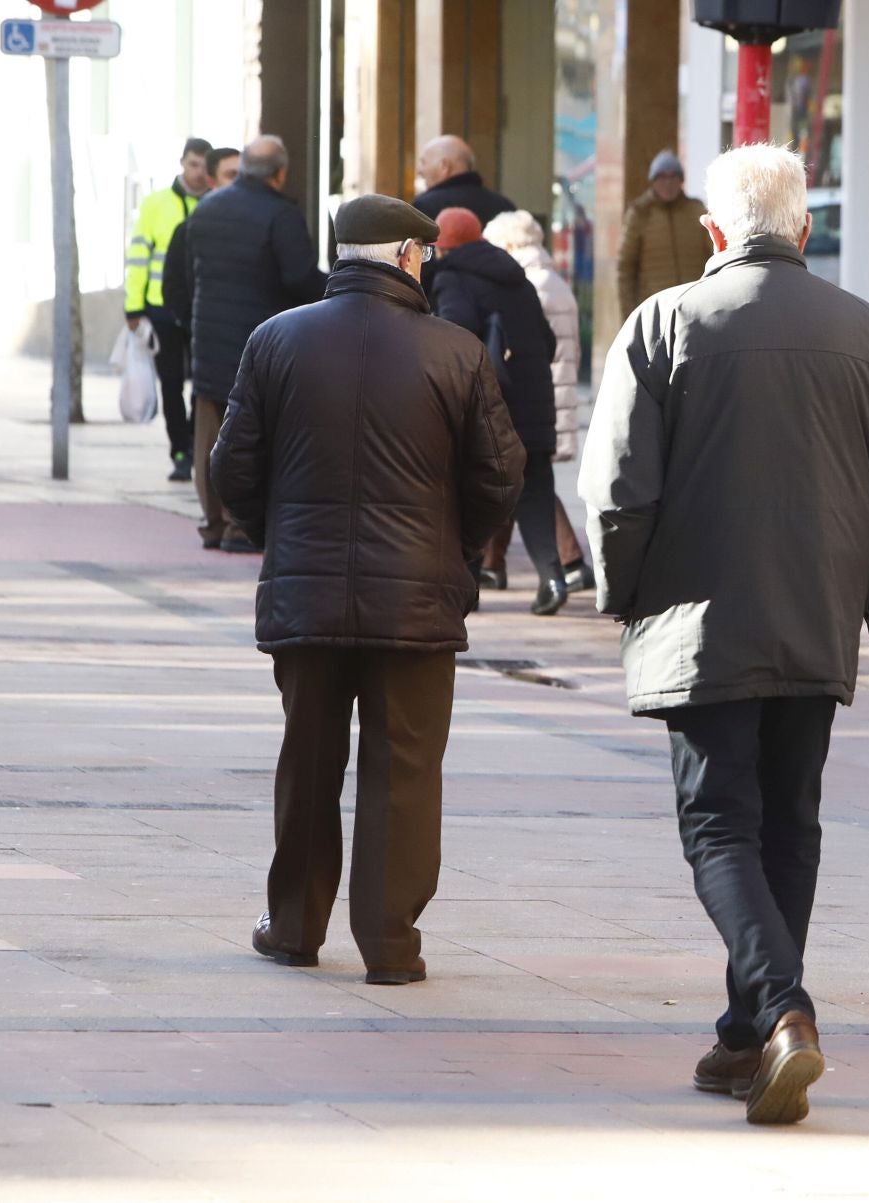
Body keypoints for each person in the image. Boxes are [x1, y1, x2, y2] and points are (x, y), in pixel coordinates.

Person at [578, 144, 869, 1125]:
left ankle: (781, 1011)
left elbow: (614, 492)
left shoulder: (664, 323)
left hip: (702, 621)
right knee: (791, 822)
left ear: (712, 230)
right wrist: (858, 594)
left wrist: (628, 596)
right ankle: (747, 1036)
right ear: (806, 227)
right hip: (813, 620)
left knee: (719, 827)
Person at [209, 194, 524, 986]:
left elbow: (231, 469)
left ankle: (293, 926)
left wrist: (279, 532)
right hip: (416, 596)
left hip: (305, 594)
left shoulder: (274, 339)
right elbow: (499, 475)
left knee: (307, 758)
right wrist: (455, 551)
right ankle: (389, 942)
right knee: (406, 766)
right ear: (412, 258)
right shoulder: (456, 353)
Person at [184, 135, 326, 553]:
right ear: (280, 174)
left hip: (208, 336)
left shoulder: (207, 209)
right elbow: (299, 279)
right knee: (252, 436)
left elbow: (192, 276)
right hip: (259, 342)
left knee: (209, 435)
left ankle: (213, 522)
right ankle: (240, 526)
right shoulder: (280, 215)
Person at [429, 207, 568, 616]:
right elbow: (547, 340)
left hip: (490, 405)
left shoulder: (453, 276)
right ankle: (553, 578)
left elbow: (456, 333)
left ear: (443, 246)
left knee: (470, 489)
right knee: (537, 490)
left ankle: (466, 585)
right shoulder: (515, 275)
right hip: (534, 402)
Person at [480, 209, 592, 594]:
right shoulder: (552, 281)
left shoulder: (529, 284)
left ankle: (567, 562)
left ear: (510, 245)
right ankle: (497, 566)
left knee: (526, 483)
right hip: (551, 396)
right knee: (525, 483)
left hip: (535, 397)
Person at [124, 137, 211, 481]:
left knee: (202, 383)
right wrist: (133, 307)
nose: (199, 172)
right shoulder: (156, 204)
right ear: (182, 163)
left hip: (200, 309)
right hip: (160, 309)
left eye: (205, 166)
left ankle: (195, 439)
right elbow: (139, 256)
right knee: (171, 382)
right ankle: (179, 451)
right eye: (193, 164)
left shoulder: (215, 204)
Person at [616, 150, 711, 319]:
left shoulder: (696, 210)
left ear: (680, 180)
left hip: (694, 308)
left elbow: (713, 255)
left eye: (673, 177)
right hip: (655, 312)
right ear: (653, 181)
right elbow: (625, 269)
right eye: (662, 177)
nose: (668, 183)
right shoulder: (639, 214)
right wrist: (630, 316)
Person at [161, 147, 240, 334]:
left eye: (244, 176)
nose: (240, 183)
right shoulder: (190, 228)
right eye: (231, 175)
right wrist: (195, 324)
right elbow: (175, 285)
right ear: (212, 182)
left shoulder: (262, 224)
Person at [412, 136, 516, 226]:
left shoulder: (424, 206)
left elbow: (421, 249)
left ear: (444, 166)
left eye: (423, 163)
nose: (419, 171)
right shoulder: (504, 205)